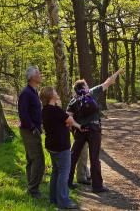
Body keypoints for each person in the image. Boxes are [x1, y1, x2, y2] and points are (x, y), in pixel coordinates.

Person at [67, 69, 124, 193]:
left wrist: (77, 126)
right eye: (86, 85)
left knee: (73, 156)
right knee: (94, 157)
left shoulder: (73, 101)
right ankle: (97, 186)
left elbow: (68, 118)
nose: (88, 86)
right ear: (84, 87)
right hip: (94, 129)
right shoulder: (91, 93)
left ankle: (68, 182)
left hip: (80, 131)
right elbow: (108, 82)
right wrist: (117, 72)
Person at [40, 87, 81, 209]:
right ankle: (63, 201)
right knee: (64, 173)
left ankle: (53, 198)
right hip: (61, 146)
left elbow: (66, 121)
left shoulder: (46, 110)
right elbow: (70, 120)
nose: (57, 92)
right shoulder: (55, 110)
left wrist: (68, 122)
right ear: (51, 96)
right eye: (55, 91)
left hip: (52, 145)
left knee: (56, 172)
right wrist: (73, 124)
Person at [18, 66, 45, 198]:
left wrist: (40, 125)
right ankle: (33, 190)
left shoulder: (33, 92)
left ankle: (31, 187)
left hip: (33, 129)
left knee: (31, 160)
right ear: (32, 77)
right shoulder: (26, 93)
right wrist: (33, 128)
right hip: (29, 131)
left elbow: (35, 112)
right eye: (38, 73)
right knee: (38, 160)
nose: (40, 75)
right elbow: (23, 114)